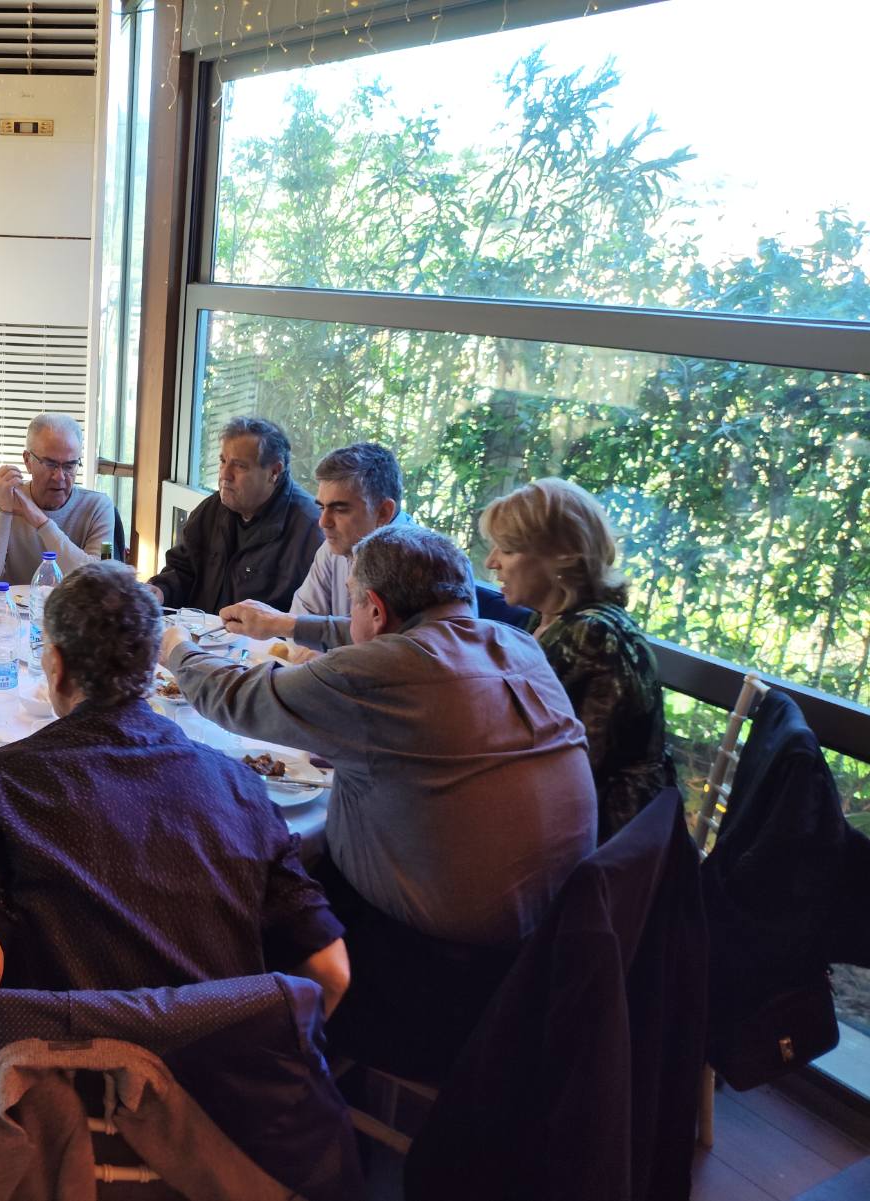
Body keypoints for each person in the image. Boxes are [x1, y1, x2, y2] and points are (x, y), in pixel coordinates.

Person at [0, 562, 349, 1139]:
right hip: (218, 1127)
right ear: (151, 670)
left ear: (55, 664)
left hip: (57, 1132)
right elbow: (330, 971)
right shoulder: (241, 787)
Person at [161, 524, 596, 1078]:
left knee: (235, 891)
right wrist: (293, 627)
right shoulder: (518, 644)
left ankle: (255, 1078)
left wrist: (177, 650)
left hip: (435, 985)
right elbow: (369, 643)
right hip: (551, 961)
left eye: (354, 606)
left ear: (376, 608)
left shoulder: (384, 673)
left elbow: (237, 697)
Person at [481, 478, 677, 842]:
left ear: (561, 557)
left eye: (506, 550)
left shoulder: (592, 636)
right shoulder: (547, 619)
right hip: (563, 819)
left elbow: (566, 770)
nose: (491, 562)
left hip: (600, 842)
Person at [217, 441, 405, 657]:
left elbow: (380, 652)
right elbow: (298, 630)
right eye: (322, 507)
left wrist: (293, 634)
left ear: (383, 512)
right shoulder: (334, 548)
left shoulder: (414, 567)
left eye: (339, 509)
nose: (323, 522)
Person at [148, 416, 321, 613]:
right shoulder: (214, 508)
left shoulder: (309, 529)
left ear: (274, 472)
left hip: (258, 634)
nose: (225, 474)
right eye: (223, 461)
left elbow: (309, 618)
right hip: (200, 629)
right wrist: (161, 590)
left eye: (239, 466)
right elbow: (183, 569)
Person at [0, 414, 116, 590]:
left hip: (73, 607)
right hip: (12, 606)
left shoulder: (98, 506)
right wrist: (3, 511)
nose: (59, 477)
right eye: (50, 464)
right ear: (28, 461)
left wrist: (41, 522)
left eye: (69, 466)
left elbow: (96, 585)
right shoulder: (2, 498)